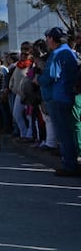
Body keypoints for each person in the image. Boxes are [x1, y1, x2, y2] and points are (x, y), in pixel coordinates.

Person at [38, 27, 81, 177]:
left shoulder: (57, 53)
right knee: (67, 131)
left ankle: (70, 165)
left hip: (58, 96)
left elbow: (50, 75)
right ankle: (71, 162)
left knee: (64, 133)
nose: (46, 41)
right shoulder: (68, 51)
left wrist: (38, 79)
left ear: (52, 38)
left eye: (47, 38)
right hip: (66, 95)